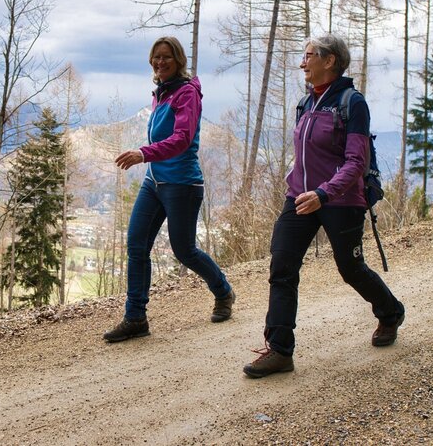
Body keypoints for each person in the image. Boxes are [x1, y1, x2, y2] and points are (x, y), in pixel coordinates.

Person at [243, 34, 405, 378]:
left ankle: (390, 313)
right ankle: (280, 350)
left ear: (329, 61)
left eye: (308, 56)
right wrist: (298, 182)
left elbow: (356, 161)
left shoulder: (352, 102)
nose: (303, 62)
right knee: (282, 266)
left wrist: (324, 192)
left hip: (340, 200)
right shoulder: (306, 103)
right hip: (299, 197)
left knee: (351, 269)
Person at [103, 36, 235, 343]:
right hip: (155, 183)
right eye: (155, 57)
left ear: (178, 60)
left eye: (166, 57)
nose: (160, 62)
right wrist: (148, 159)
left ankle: (224, 292)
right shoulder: (161, 93)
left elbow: (182, 139)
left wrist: (143, 153)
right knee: (136, 245)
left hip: (183, 185)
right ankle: (135, 317)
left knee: (184, 250)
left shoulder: (187, 93)